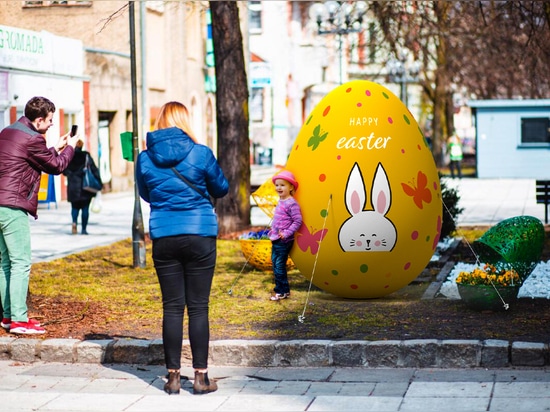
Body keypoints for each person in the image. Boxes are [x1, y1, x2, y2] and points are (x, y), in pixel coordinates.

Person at [136, 101, 229, 396]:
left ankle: (173, 377)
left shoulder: (144, 158)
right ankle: (200, 378)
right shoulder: (200, 153)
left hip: (165, 234)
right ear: (185, 121)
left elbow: (145, 192)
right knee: (199, 307)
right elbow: (221, 188)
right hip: (201, 232)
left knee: (172, 307)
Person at [0, 96, 79, 335]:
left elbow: (34, 157)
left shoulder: (9, 131)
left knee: (5, 262)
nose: (52, 125)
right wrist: (72, 147)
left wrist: (56, 148)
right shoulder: (34, 138)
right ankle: (19, 321)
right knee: (21, 263)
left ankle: (7, 316)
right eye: (50, 121)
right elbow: (55, 166)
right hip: (13, 206)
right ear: (39, 120)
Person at [268, 170, 302, 301]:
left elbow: (297, 221)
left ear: (291, 187)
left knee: (279, 265)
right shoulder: (281, 200)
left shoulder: (291, 203)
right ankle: (285, 290)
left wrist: (287, 233)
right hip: (276, 237)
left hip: (284, 239)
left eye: (282, 185)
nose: (278, 188)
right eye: (277, 185)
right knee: (275, 264)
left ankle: (280, 291)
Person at [63, 139, 102, 235]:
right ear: (81, 146)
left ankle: (74, 222)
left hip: (73, 186)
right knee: (85, 208)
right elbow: (94, 169)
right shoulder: (86, 156)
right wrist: (99, 183)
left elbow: (64, 171)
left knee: (74, 207)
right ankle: (84, 229)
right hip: (85, 186)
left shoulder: (69, 156)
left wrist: (70, 174)